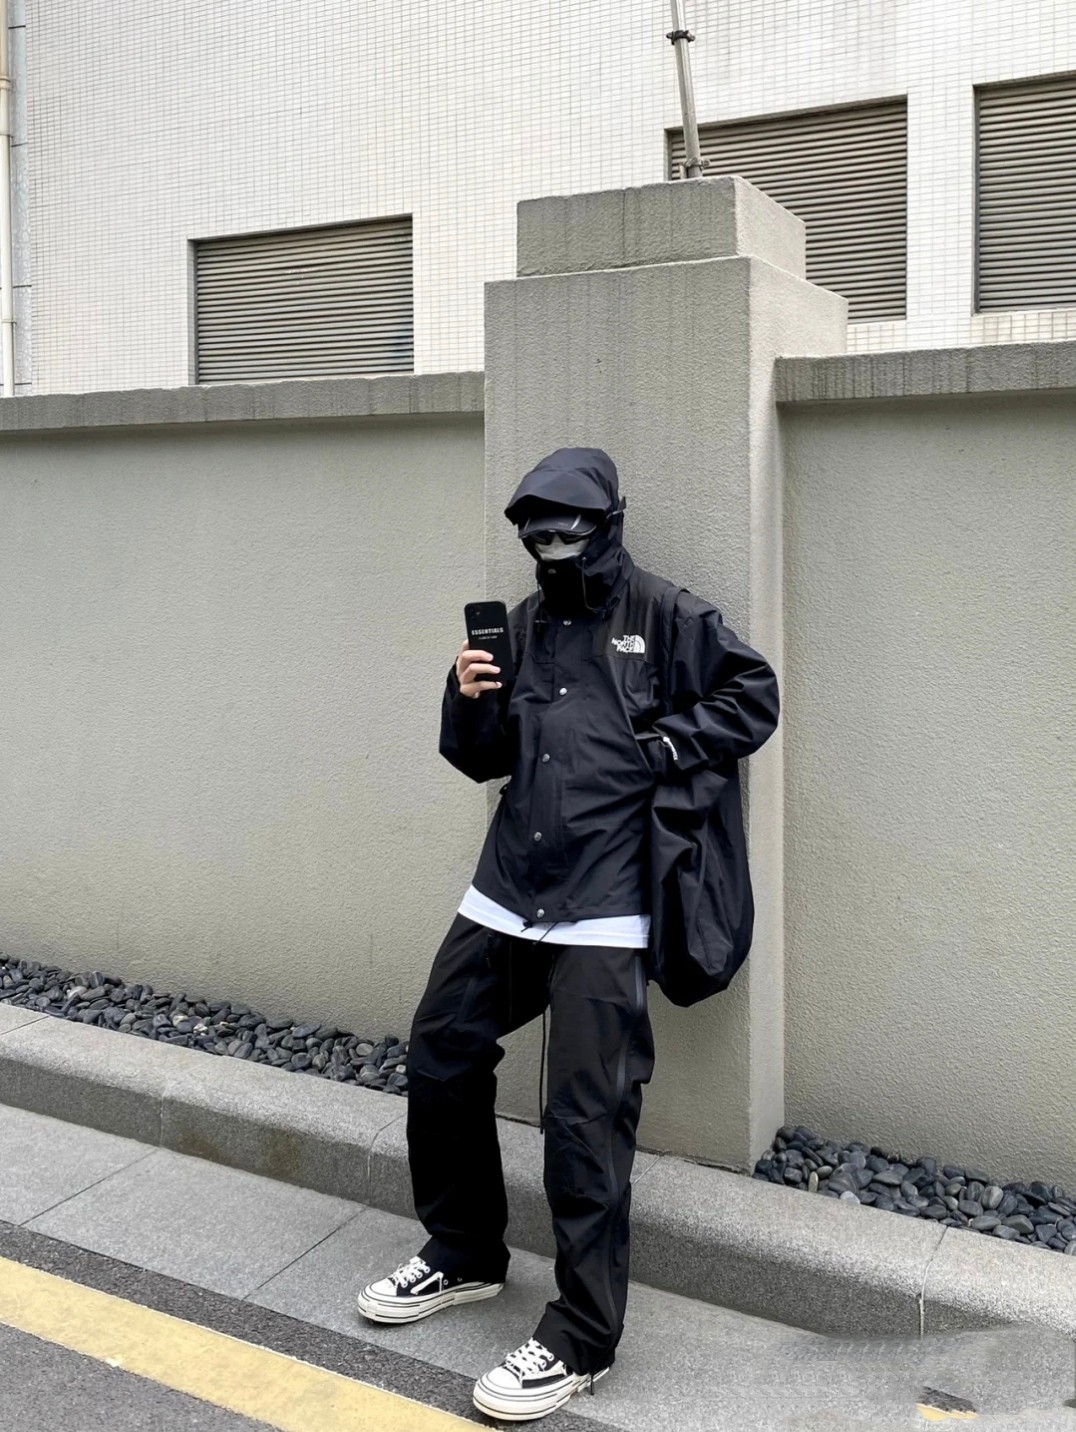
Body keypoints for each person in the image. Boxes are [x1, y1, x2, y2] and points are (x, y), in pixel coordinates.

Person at [356, 446, 780, 1421]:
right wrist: (465, 697)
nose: (550, 540)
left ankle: (581, 1336)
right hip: (510, 885)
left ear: (606, 522)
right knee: (440, 1053)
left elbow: (751, 694)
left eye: (567, 523)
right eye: (536, 527)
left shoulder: (666, 615)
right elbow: (482, 759)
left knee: (585, 1115)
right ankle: (465, 1251)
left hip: (609, 897)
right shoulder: (519, 627)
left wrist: (665, 746)